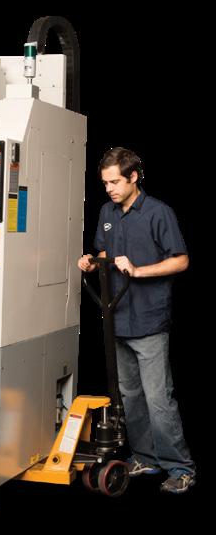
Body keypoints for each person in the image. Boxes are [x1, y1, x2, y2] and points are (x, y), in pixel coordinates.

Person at [78, 147, 196, 494]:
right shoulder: (107, 212)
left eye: (115, 182)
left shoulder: (159, 212)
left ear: (133, 177)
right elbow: (106, 252)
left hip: (148, 319)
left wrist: (139, 270)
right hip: (117, 317)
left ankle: (180, 467)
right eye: (105, 183)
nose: (109, 189)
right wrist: (92, 261)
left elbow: (181, 260)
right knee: (130, 397)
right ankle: (145, 457)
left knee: (158, 399)